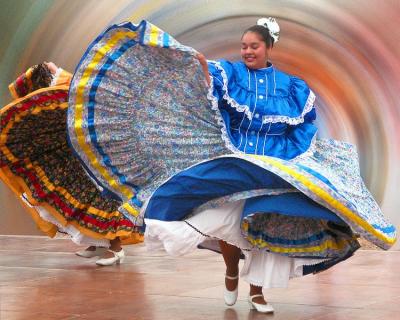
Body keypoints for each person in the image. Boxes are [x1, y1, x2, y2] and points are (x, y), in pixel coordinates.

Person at [67, 18, 396, 313]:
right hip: (235, 157)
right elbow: (209, 79)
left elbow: (303, 128)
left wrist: (290, 162)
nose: (247, 51)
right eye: (244, 46)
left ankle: (257, 292)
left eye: (254, 46)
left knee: (265, 223)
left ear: (268, 48)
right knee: (220, 218)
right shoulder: (232, 72)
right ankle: (230, 269)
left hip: (273, 165)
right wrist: (193, 62)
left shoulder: (293, 88)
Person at [1, 62, 143, 266]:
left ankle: (116, 248)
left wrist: (49, 68)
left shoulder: (74, 87)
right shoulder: (66, 91)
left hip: (98, 160)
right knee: (84, 204)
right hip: (83, 158)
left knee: (106, 203)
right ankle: (98, 244)